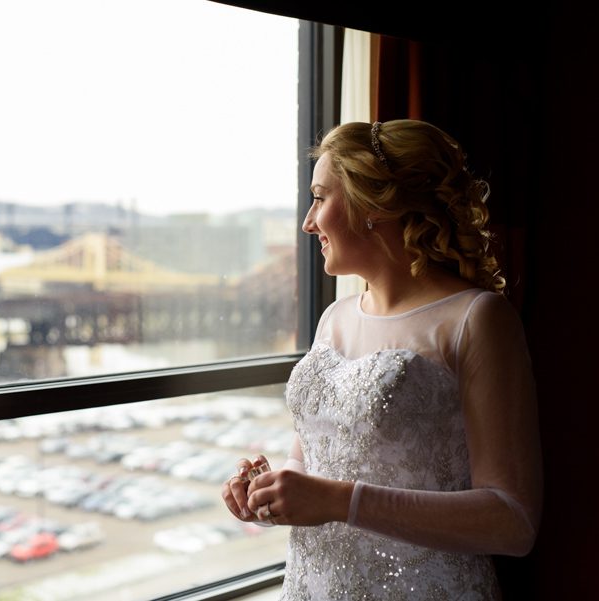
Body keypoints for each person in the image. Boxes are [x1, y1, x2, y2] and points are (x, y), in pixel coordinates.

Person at [221, 119, 542, 599]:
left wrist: (336, 500)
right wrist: (273, 491)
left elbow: (513, 522)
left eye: (320, 197)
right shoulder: (334, 317)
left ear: (373, 205)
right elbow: (310, 457)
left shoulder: (477, 318)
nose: (309, 222)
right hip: (312, 586)